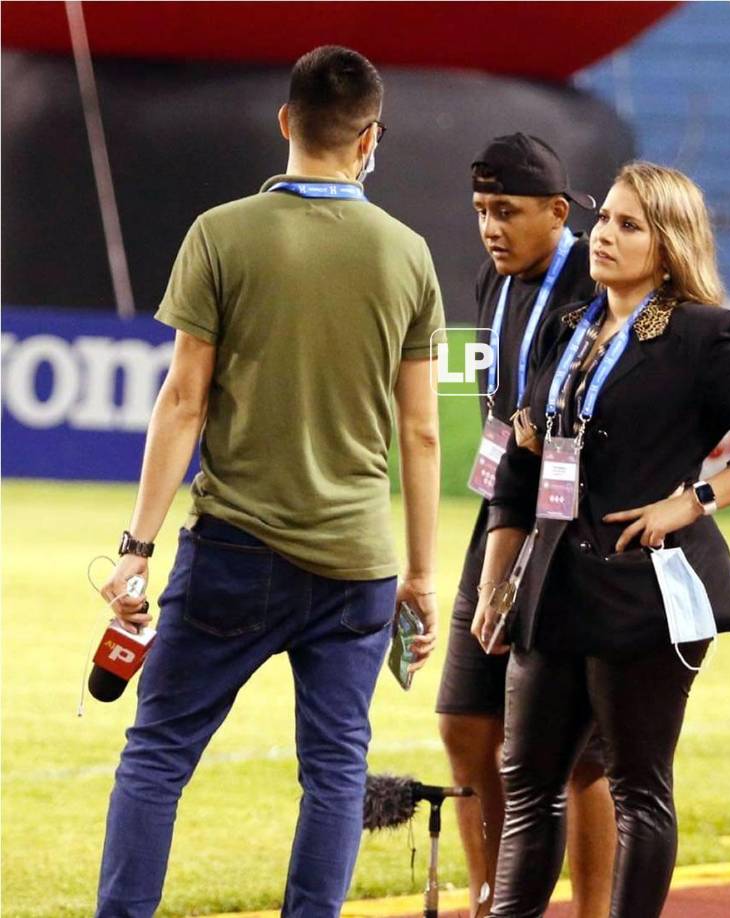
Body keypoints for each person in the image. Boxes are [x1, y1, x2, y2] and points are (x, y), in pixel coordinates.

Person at [95, 46, 444, 918]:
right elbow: (422, 431)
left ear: (285, 121)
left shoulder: (221, 233)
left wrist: (135, 551)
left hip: (234, 553)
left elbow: (182, 401)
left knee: (159, 754)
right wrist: (424, 575)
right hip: (357, 565)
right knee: (335, 772)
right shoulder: (408, 255)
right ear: (371, 138)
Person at [471, 161, 730, 917]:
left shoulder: (703, 332)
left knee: (636, 790)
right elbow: (528, 459)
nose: (605, 236)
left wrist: (692, 500)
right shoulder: (571, 327)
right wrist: (499, 578)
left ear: (668, 244)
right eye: (604, 221)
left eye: (629, 225)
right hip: (553, 583)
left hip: (646, 593)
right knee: (526, 779)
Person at [436, 133, 616, 918]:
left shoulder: (599, 278)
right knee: (464, 722)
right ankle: (494, 902)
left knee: (579, 755)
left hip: (578, 533)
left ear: (557, 209)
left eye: (505, 211)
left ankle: (595, 909)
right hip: (501, 513)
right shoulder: (493, 279)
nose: (489, 227)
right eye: (480, 210)